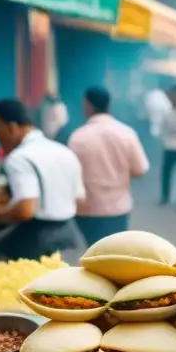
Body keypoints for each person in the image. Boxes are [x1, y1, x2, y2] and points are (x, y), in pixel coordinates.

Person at [0, 99, 87, 259]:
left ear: (12, 127)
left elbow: (25, 210)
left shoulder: (19, 158)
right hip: (72, 236)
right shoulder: (64, 152)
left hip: (39, 242)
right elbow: (80, 201)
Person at [69, 86, 149, 245]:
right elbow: (140, 169)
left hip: (86, 210)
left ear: (88, 105)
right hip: (117, 208)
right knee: (114, 254)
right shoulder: (126, 133)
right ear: (109, 105)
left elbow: (71, 175)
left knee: (92, 254)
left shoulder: (77, 137)